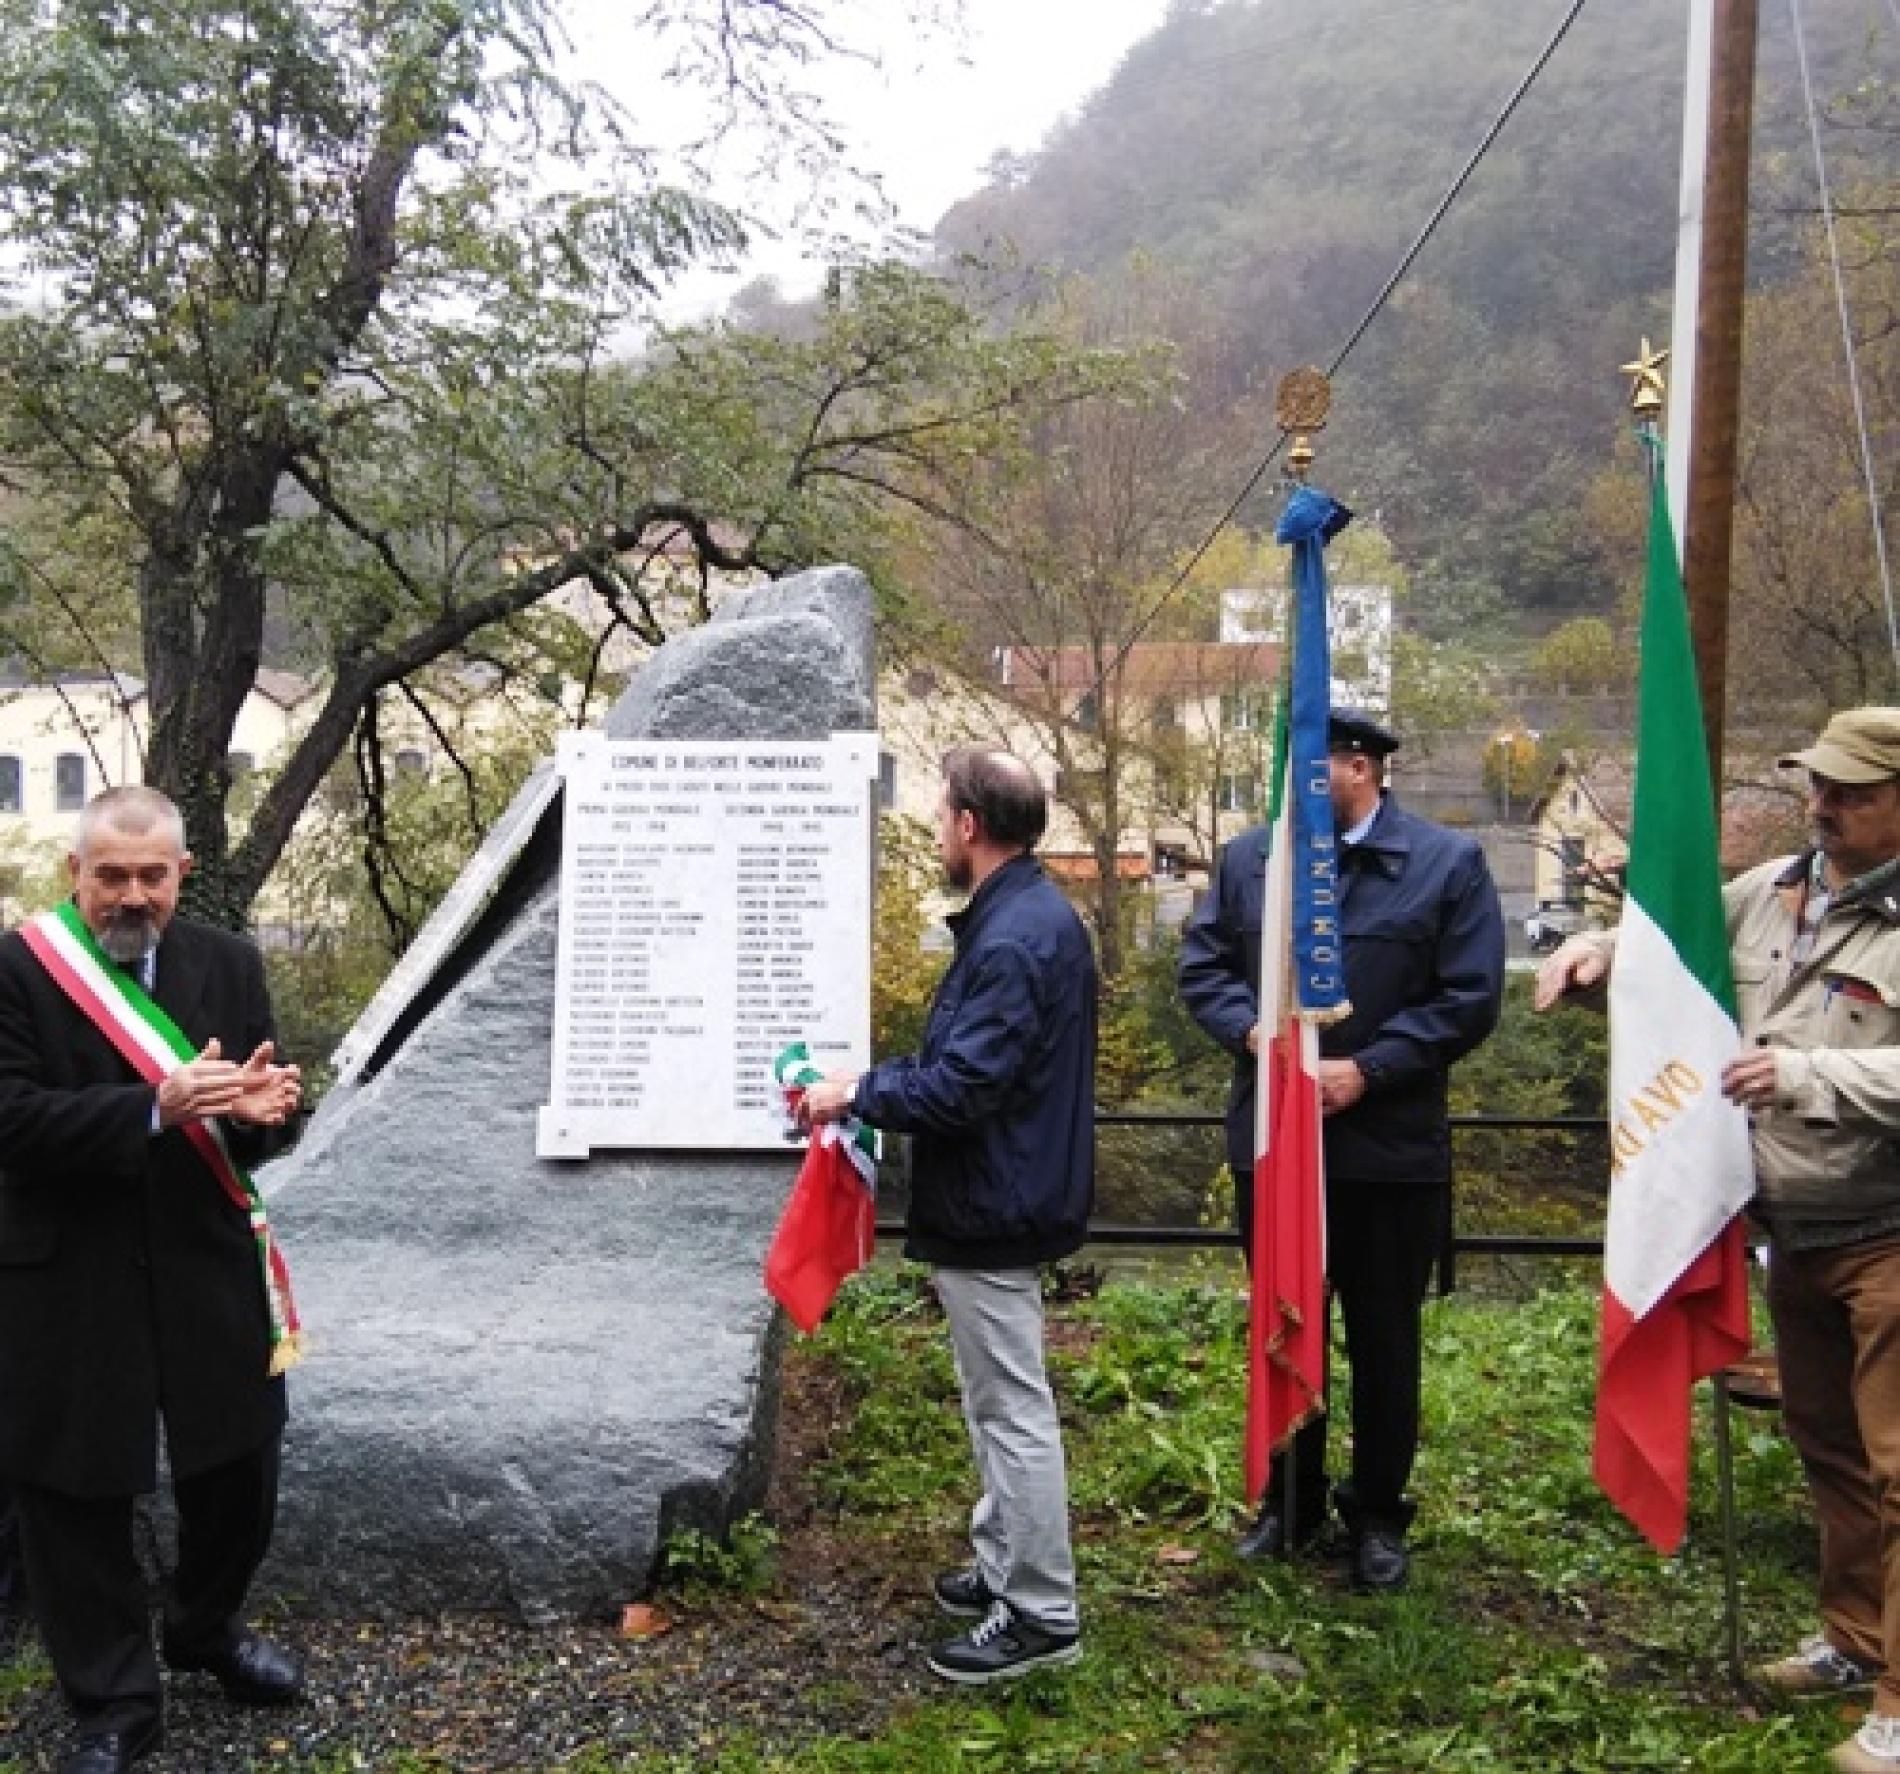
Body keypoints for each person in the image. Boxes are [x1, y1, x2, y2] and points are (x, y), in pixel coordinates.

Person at [1535, 707, 1900, 1774]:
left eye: (1850, 793)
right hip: (1793, 1230)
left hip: (1889, 1231)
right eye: (1817, 786)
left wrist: (1805, 1075)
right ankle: (1852, 1640)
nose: (1821, 807)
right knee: (1830, 1450)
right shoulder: (1779, 888)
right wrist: (1601, 949)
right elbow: (1671, 942)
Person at [0, 786, 305, 1774]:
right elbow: (10, 1120)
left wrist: (264, 1113)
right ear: (74, 876)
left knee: (238, 1466)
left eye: (152, 876)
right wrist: (151, 1106)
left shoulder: (227, 961)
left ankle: (202, 1627)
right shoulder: (16, 968)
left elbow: (260, 1125)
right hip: (64, 1269)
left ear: (181, 874)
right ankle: (112, 1699)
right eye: (111, 876)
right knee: (74, 1493)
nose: (132, 895)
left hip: (202, 1258)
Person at [1180, 710, 1505, 1590]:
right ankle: (1289, 1504)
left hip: (1386, 1151)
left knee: (1383, 1338)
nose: (1291, 788)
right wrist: (1250, 1032)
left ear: (1358, 770)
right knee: (1286, 1322)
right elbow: (1202, 964)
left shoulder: (1446, 863)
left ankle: (1377, 1516)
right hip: (1278, 1148)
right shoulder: (1252, 861)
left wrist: (1373, 1069)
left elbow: (1469, 998)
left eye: (1309, 768)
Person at [800, 748, 1096, 1685]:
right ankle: (1005, 1565)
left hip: (996, 1198)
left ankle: (1042, 1613)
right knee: (994, 1398)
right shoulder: (1025, 917)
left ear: (969, 825)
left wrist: (858, 1090)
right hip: (1003, 1189)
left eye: (938, 816)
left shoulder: (1014, 937)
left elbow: (965, 1085)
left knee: (1011, 1408)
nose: (935, 831)